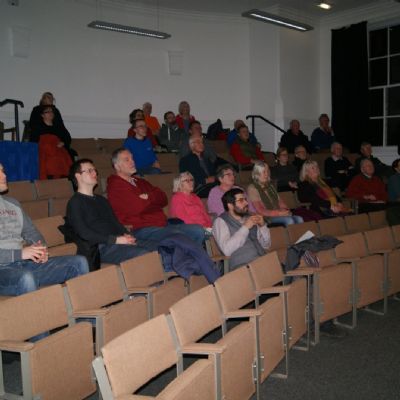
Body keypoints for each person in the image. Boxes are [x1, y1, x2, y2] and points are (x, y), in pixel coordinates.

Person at [0, 163, 89, 296]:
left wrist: (40, 249)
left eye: (2, 170)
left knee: (78, 262)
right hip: (4, 270)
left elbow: (31, 232)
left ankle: (84, 314)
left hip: (24, 264)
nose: (4, 175)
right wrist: (20, 254)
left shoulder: (13, 204)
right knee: (26, 277)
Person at [107, 148, 206, 245]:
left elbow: (163, 198)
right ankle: (189, 260)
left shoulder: (141, 182)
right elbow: (138, 207)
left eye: (132, 158)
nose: (132, 162)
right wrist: (153, 201)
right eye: (127, 159)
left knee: (197, 230)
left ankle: (190, 259)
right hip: (141, 229)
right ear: (117, 166)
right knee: (179, 235)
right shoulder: (115, 185)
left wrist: (148, 198)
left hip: (162, 224)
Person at [66, 159, 153, 265]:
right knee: (143, 254)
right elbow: (84, 233)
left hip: (118, 241)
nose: (95, 173)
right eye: (89, 171)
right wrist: (116, 240)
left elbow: (115, 223)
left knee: (158, 247)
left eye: (94, 170)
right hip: (101, 247)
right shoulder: (75, 203)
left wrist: (128, 236)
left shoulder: (101, 200)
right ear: (78, 176)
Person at [212, 188, 271, 271]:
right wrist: (245, 227)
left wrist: (262, 226)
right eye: (241, 200)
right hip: (243, 268)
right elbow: (226, 250)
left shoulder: (249, 217)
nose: (246, 203)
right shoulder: (220, 221)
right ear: (230, 205)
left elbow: (266, 245)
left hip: (263, 262)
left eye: (245, 200)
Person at [247, 161, 303, 226]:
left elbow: (280, 201)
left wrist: (285, 210)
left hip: (277, 213)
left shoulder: (270, 186)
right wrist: (278, 213)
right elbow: (260, 210)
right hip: (266, 217)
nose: (267, 174)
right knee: (289, 220)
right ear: (257, 174)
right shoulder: (252, 188)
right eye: (264, 172)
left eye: (268, 171)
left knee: (299, 219)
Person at [33, 105, 73, 179]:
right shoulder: (38, 128)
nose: (50, 113)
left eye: (51, 111)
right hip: (45, 152)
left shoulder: (58, 127)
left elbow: (67, 138)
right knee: (52, 160)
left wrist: (63, 143)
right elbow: (35, 142)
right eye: (47, 112)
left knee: (66, 157)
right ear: (42, 115)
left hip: (59, 150)